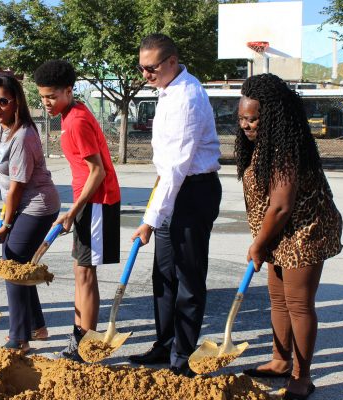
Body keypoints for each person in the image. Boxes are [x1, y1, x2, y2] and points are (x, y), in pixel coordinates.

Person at [236, 73, 342, 400]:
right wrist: (264, 241)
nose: (246, 125)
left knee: (298, 304)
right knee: (278, 300)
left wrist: (257, 243)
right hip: (279, 234)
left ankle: (301, 376)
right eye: (241, 118)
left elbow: (281, 206)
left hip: (304, 232)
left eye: (252, 119)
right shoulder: (263, 145)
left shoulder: (284, 148)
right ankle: (281, 361)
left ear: (271, 116)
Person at [128, 34, 222, 377]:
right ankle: (165, 344)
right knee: (163, 274)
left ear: (171, 61)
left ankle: (183, 356)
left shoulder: (187, 98)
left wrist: (150, 220)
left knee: (187, 275)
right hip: (172, 188)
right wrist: (153, 209)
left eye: (150, 68)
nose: (145, 75)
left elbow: (177, 167)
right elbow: (165, 166)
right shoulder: (167, 92)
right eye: (141, 67)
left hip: (193, 192)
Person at [34, 60, 121, 361]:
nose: (46, 103)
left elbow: (96, 172)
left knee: (85, 273)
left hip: (96, 202)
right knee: (81, 271)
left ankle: (85, 344)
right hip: (88, 202)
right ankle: (80, 335)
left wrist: (73, 211)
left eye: (51, 96)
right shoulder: (72, 113)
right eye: (42, 96)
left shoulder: (77, 121)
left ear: (68, 91)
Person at [0, 76, 61, 353]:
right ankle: (37, 326)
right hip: (21, 205)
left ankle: (19, 338)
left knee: (12, 265)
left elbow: (17, 186)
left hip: (36, 205)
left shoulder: (23, 135)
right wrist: (8, 215)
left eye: (3, 101)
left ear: (16, 101)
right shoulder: (4, 129)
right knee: (19, 263)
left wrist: (6, 222)